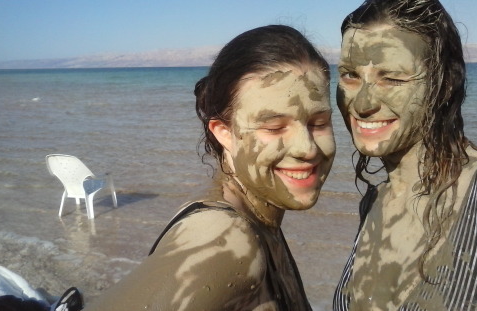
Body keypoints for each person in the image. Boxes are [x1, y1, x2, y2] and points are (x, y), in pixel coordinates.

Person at [84, 24, 336, 310]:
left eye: (319, 123)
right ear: (224, 132)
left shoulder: (259, 223)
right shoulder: (226, 240)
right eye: (275, 127)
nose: (307, 148)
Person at [332, 0, 477, 310]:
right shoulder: (374, 202)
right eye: (350, 75)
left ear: (444, 84)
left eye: (391, 78)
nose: (362, 103)